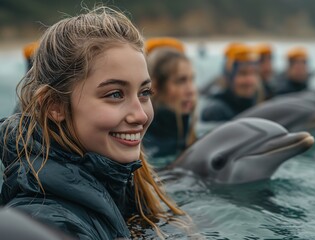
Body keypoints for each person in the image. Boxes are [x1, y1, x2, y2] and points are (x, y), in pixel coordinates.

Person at [0, 7, 188, 240]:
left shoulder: (130, 192)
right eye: (115, 94)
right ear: (54, 106)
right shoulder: (46, 223)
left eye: (144, 92)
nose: (140, 115)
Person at [143, 38, 197, 168]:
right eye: (181, 81)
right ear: (154, 86)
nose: (191, 90)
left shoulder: (189, 136)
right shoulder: (144, 148)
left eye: (192, 79)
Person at [201, 42, 261, 122]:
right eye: (243, 74)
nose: (250, 80)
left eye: (254, 73)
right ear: (228, 78)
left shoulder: (258, 103)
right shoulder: (216, 111)